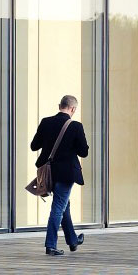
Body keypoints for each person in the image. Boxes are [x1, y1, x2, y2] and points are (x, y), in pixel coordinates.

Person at [30, 95, 90, 256]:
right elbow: (83, 152)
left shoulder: (45, 122)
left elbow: (34, 146)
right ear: (73, 109)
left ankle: (73, 241)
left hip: (48, 172)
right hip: (66, 173)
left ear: (60, 106)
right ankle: (51, 245)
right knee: (58, 206)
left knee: (64, 206)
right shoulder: (76, 126)